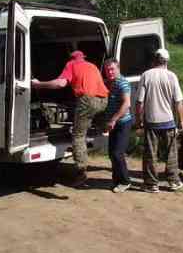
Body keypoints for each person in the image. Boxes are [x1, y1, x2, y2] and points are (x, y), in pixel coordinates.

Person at [31, 50, 108, 185]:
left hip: (87, 100)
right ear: (83, 58)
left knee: (78, 136)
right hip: (104, 101)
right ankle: (100, 129)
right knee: (86, 121)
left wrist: (38, 84)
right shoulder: (92, 66)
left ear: (71, 59)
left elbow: (60, 84)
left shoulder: (71, 65)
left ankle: (81, 172)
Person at [135, 49, 183, 193]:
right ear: (166, 61)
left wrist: (138, 121)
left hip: (151, 122)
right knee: (171, 153)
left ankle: (151, 184)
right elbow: (178, 102)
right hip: (169, 121)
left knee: (151, 154)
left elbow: (139, 102)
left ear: (154, 60)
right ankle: (173, 181)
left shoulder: (146, 75)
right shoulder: (171, 76)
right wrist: (180, 121)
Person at [102, 59, 134, 193]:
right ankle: (116, 180)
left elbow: (127, 104)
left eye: (112, 69)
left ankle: (125, 181)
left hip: (123, 123)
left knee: (117, 153)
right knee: (111, 153)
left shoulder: (123, 83)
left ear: (118, 68)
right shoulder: (109, 82)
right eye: (107, 69)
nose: (110, 72)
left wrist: (113, 119)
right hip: (113, 123)